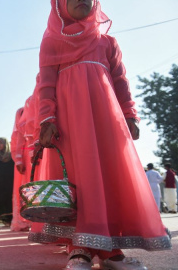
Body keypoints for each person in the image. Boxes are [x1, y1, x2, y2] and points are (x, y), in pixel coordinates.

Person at [34, 0, 172, 269]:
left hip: (106, 121)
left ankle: (111, 250)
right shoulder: (51, 42)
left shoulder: (107, 41)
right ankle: (78, 249)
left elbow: (121, 81)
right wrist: (46, 119)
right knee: (78, 179)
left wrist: (130, 114)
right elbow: (46, 84)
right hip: (71, 124)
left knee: (110, 177)